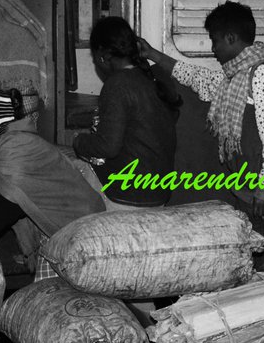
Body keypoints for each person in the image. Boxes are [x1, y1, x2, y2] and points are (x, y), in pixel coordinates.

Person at [137, 1, 264, 262]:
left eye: (215, 41)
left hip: (263, 193)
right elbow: (200, 79)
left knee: (263, 257)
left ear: (231, 38)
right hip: (249, 188)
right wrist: (154, 54)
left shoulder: (262, 76)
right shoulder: (236, 78)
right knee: (248, 255)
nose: (214, 50)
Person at [0, 89, 105, 279]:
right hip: (59, 224)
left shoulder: (16, 148)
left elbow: (11, 204)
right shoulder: (1, 143)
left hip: (78, 227)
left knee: (55, 293)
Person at [72, 16, 183, 209]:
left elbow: (108, 147)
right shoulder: (153, 77)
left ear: (103, 56)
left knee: (67, 172)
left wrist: (79, 141)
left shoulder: (117, 84)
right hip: (158, 192)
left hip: (129, 194)